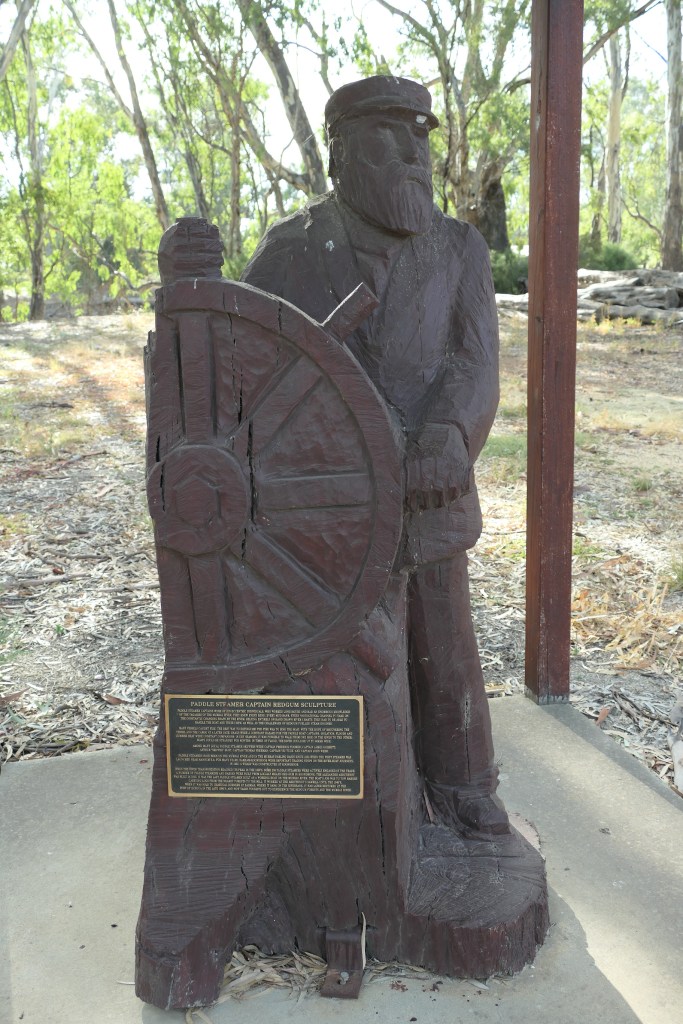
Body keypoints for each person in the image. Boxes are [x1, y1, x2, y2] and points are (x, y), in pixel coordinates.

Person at [242, 76, 508, 835]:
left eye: (419, 140)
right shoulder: (290, 249)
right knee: (337, 652)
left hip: (430, 492)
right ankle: (340, 805)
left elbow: (475, 361)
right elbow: (251, 365)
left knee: (443, 641)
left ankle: (462, 783)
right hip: (330, 507)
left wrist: (449, 433)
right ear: (340, 155)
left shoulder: (458, 248)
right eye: (386, 141)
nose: (411, 158)